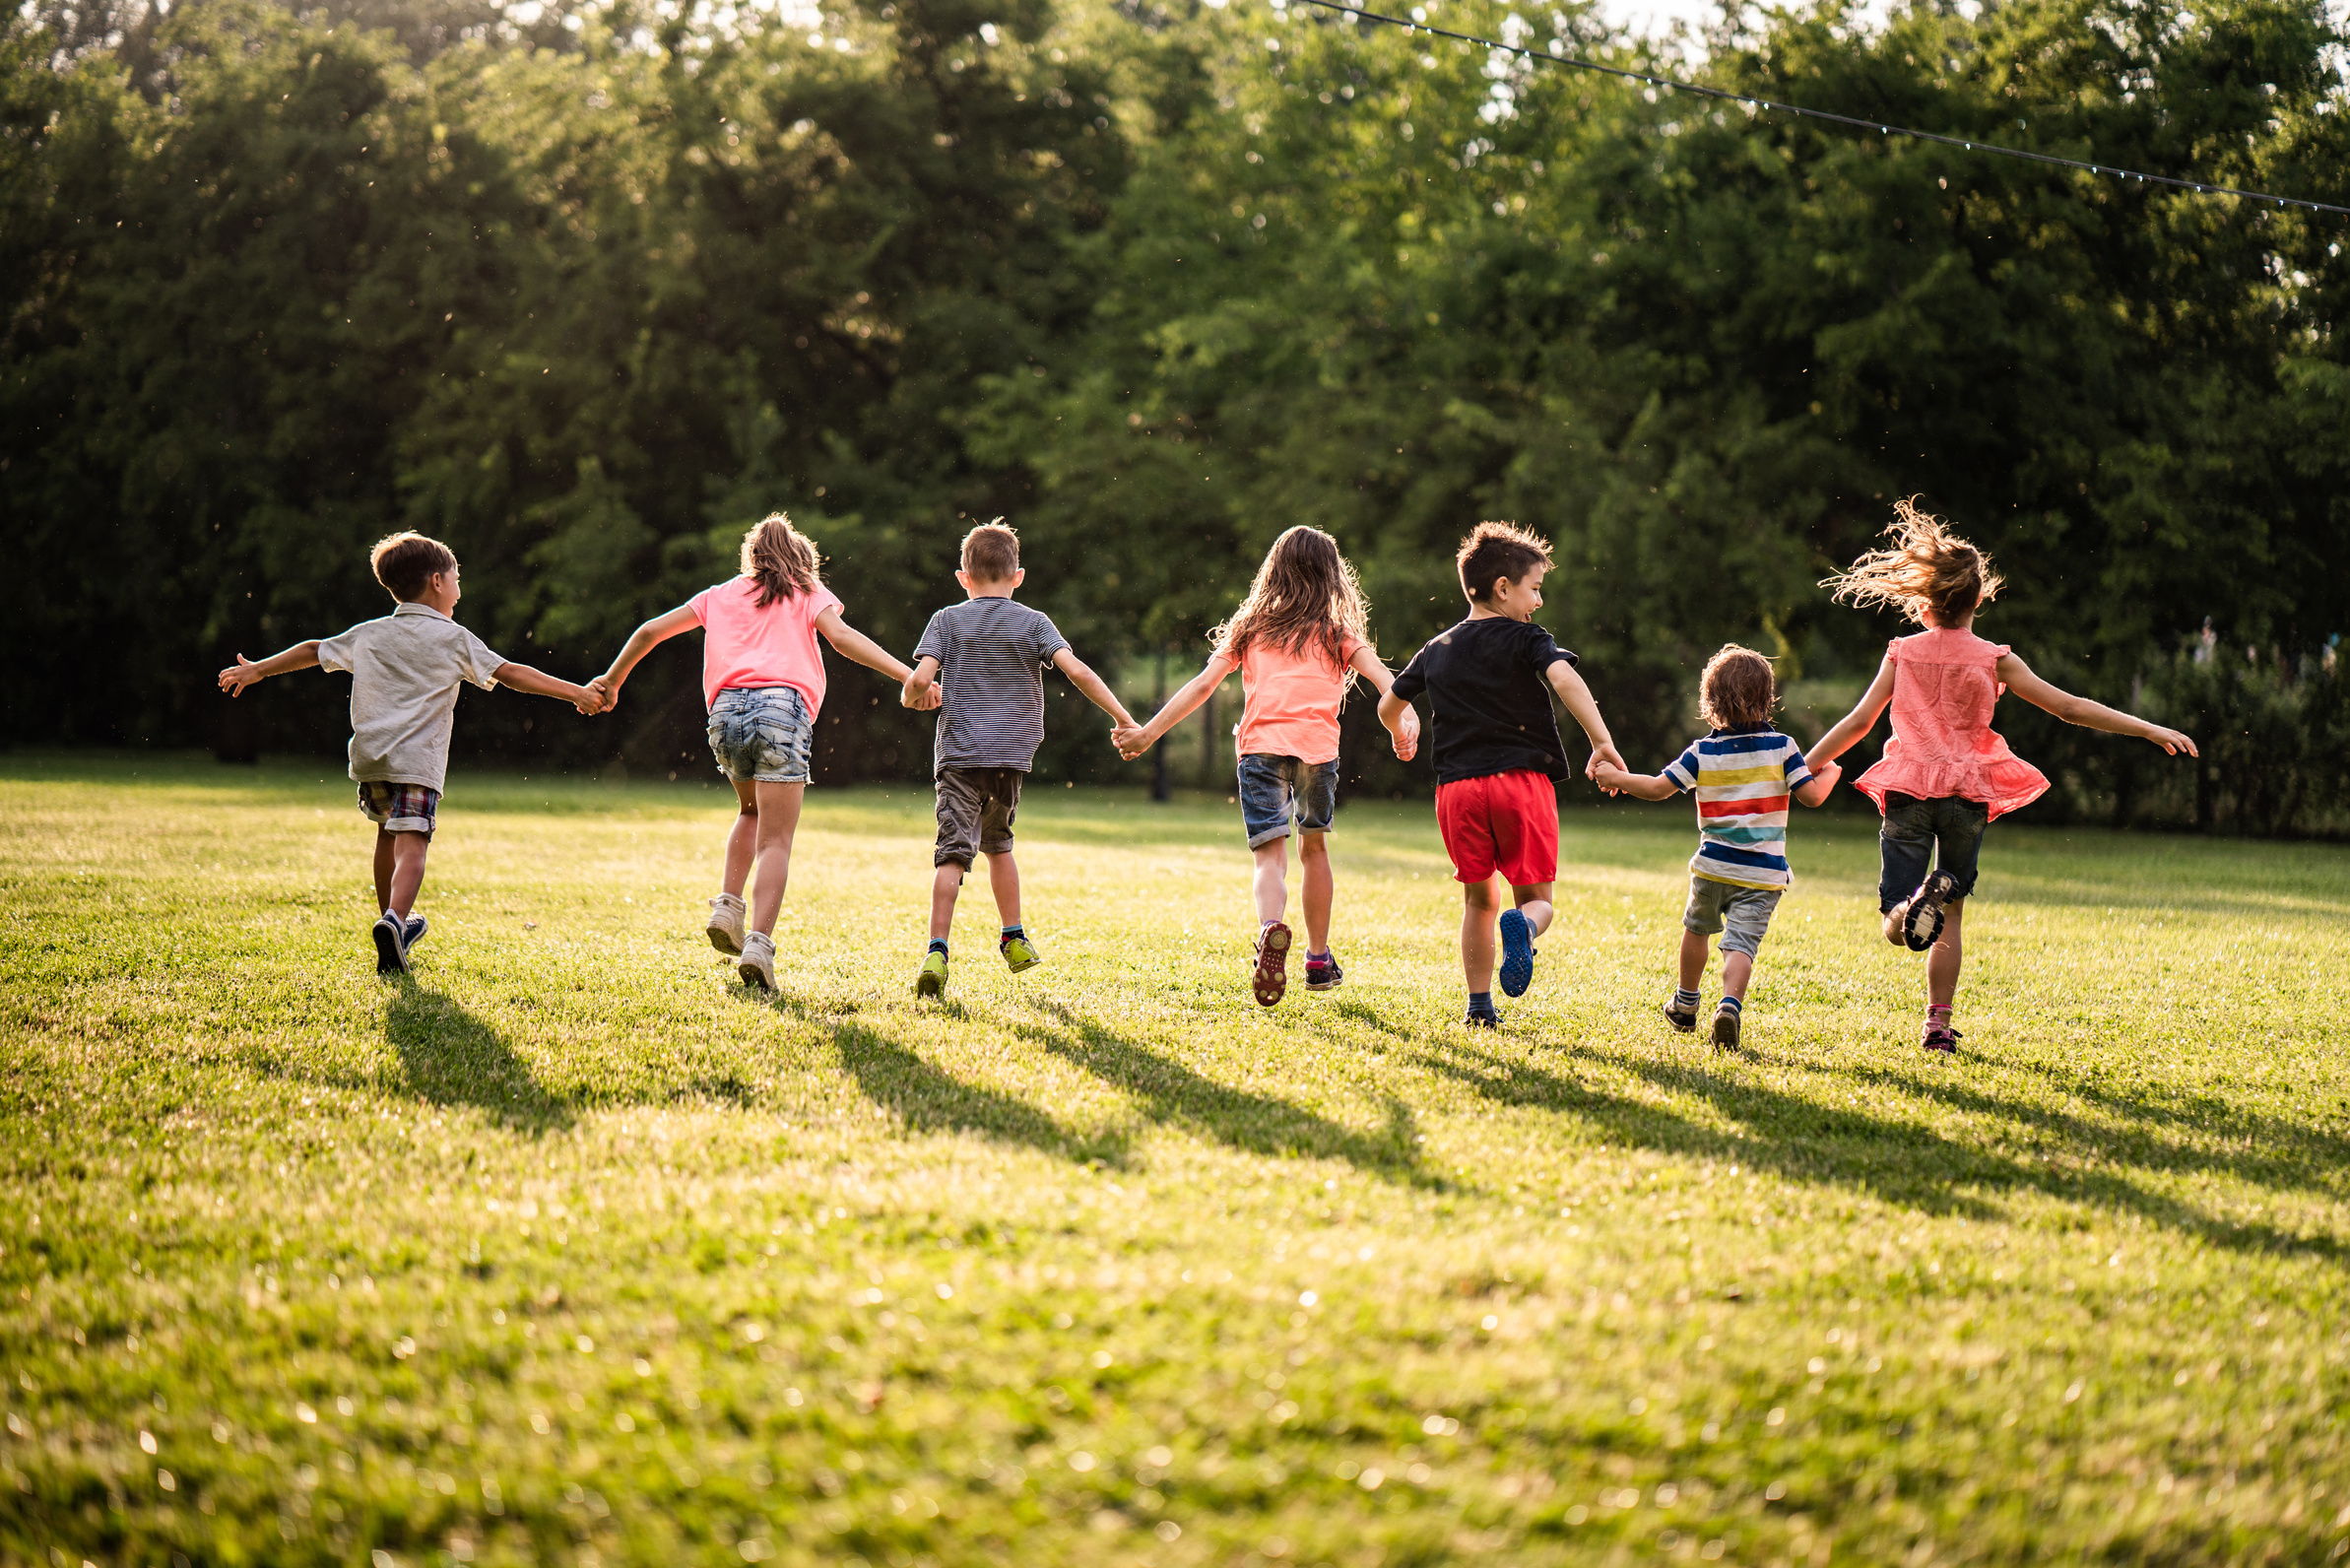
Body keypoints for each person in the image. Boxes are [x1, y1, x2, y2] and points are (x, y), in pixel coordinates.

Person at [1805, 500, 2197, 1053]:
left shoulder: (1903, 653)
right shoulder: (1993, 658)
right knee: (1952, 910)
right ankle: (1937, 1025)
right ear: (1979, 600)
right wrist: (2151, 728)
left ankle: (1905, 908)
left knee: (1896, 909)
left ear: (1925, 603)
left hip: (1909, 789)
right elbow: (2072, 707)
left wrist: (1805, 764)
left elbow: (1860, 720)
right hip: (1968, 793)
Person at [216, 531, 601, 974]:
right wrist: (575, 693)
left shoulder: (370, 633)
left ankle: (391, 925)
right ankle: (396, 921)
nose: (461, 587)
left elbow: (313, 650)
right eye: (457, 577)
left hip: (371, 760)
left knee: (387, 835)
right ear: (437, 581)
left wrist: (260, 670)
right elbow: (510, 673)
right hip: (417, 763)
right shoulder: (453, 638)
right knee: (414, 841)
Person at [588, 513, 933, 991]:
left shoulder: (719, 594)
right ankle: (758, 946)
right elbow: (844, 639)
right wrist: (909, 676)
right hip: (781, 712)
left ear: (751, 556)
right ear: (801, 562)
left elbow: (649, 631)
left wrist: (612, 681)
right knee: (776, 840)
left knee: (749, 811)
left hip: (724, 714)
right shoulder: (807, 592)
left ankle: (727, 906)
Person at [1112, 526, 1421, 1005]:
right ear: (1331, 577)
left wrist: (1148, 733)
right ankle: (1317, 961)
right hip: (1317, 752)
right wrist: (1405, 727)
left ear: (1272, 572)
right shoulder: (1337, 633)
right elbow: (1389, 681)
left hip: (1260, 750)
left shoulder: (1251, 628)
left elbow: (1202, 686)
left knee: (1269, 856)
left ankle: (1270, 930)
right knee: (1313, 850)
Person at [1377, 522, 1626, 1029]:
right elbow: (1565, 679)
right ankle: (1525, 930)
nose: (1538, 601)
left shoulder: (1437, 647)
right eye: (1534, 588)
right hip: (1519, 785)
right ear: (1503, 588)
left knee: (1477, 896)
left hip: (1458, 791)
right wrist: (1602, 741)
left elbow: (1389, 704)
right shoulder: (1528, 639)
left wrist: (1401, 731)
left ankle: (1479, 1006)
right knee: (1536, 902)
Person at [900, 520, 1136, 1000]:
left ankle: (937, 949)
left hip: (960, 759)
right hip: (1009, 759)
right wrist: (1124, 718)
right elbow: (1079, 672)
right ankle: (1014, 936)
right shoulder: (1034, 622)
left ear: (962, 577)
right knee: (999, 846)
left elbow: (919, 681)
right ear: (1018, 576)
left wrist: (912, 697)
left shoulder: (946, 621)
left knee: (952, 855)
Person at [1590, 645, 1841, 1049]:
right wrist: (1830, 773)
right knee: (1741, 945)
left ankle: (1686, 1004)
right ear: (1766, 699)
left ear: (1710, 702)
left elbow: (1657, 788)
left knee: (1696, 930)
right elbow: (1811, 798)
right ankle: (1729, 1006)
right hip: (1762, 875)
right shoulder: (1783, 748)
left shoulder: (1704, 752)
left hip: (1712, 868)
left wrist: (1616, 777)